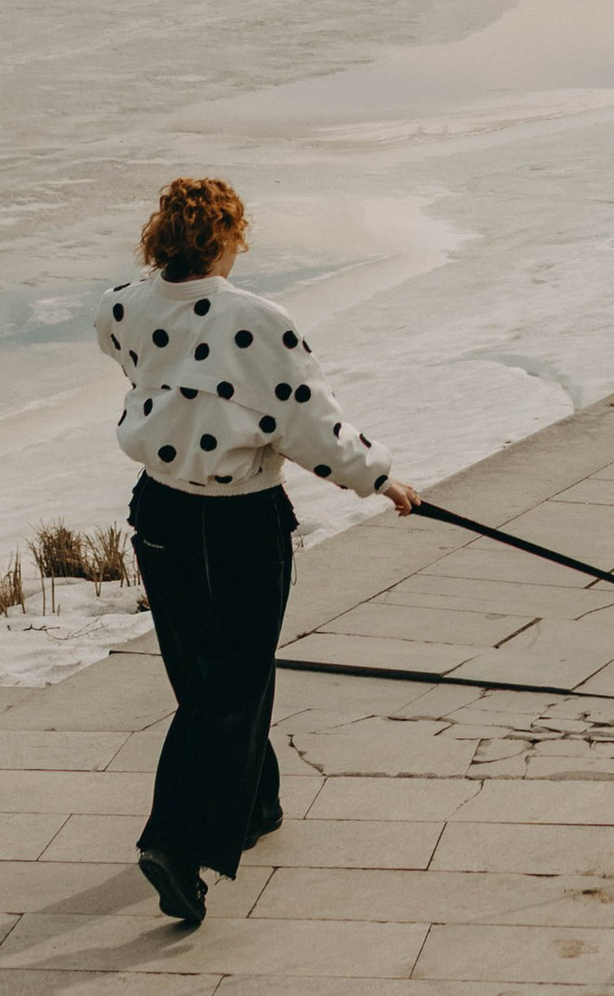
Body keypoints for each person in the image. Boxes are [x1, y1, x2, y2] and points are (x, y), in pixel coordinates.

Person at [96, 174, 418, 930]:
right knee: (234, 685)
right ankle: (175, 842)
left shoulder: (122, 304)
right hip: (237, 520)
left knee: (199, 672)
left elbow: (134, 356)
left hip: (159, 509)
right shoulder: (258, 320)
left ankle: (257, 802)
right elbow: (309, 423)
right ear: (228, 237)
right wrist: (380, 480)